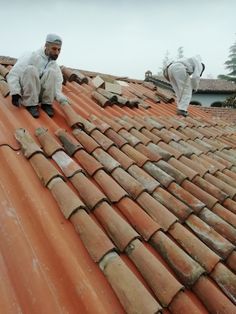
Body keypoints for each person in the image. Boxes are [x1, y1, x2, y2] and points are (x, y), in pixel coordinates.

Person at [7, 34, 69, 118]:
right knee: (31, 69)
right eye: (54, 49)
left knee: (51, 72)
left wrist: (63, 100)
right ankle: (31, 105)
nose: (57, 52)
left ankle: (46, 104)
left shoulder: (54, 66)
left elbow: (57, 86)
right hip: (27, 94)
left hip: (39, 96)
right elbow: (14, 74)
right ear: (46, 46)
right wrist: (15, 93)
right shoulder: (31, 55)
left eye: (59, 50)